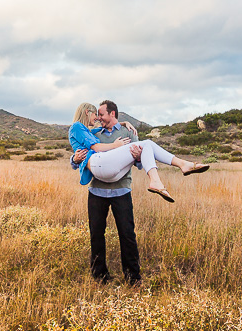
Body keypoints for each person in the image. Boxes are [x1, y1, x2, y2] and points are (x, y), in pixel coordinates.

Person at [69, 99, 209, 284]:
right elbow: (79, 153)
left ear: (112, 114)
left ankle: (132, 277)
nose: (98, 119)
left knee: (127, 234)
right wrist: (74, 158)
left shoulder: (128, 132)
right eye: (97, 114)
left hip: (121, 190)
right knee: (96, 234)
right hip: (98, 190)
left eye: (101, 115)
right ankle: (99, 276)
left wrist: (136, 158)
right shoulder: (93, 132)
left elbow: (142, 161)